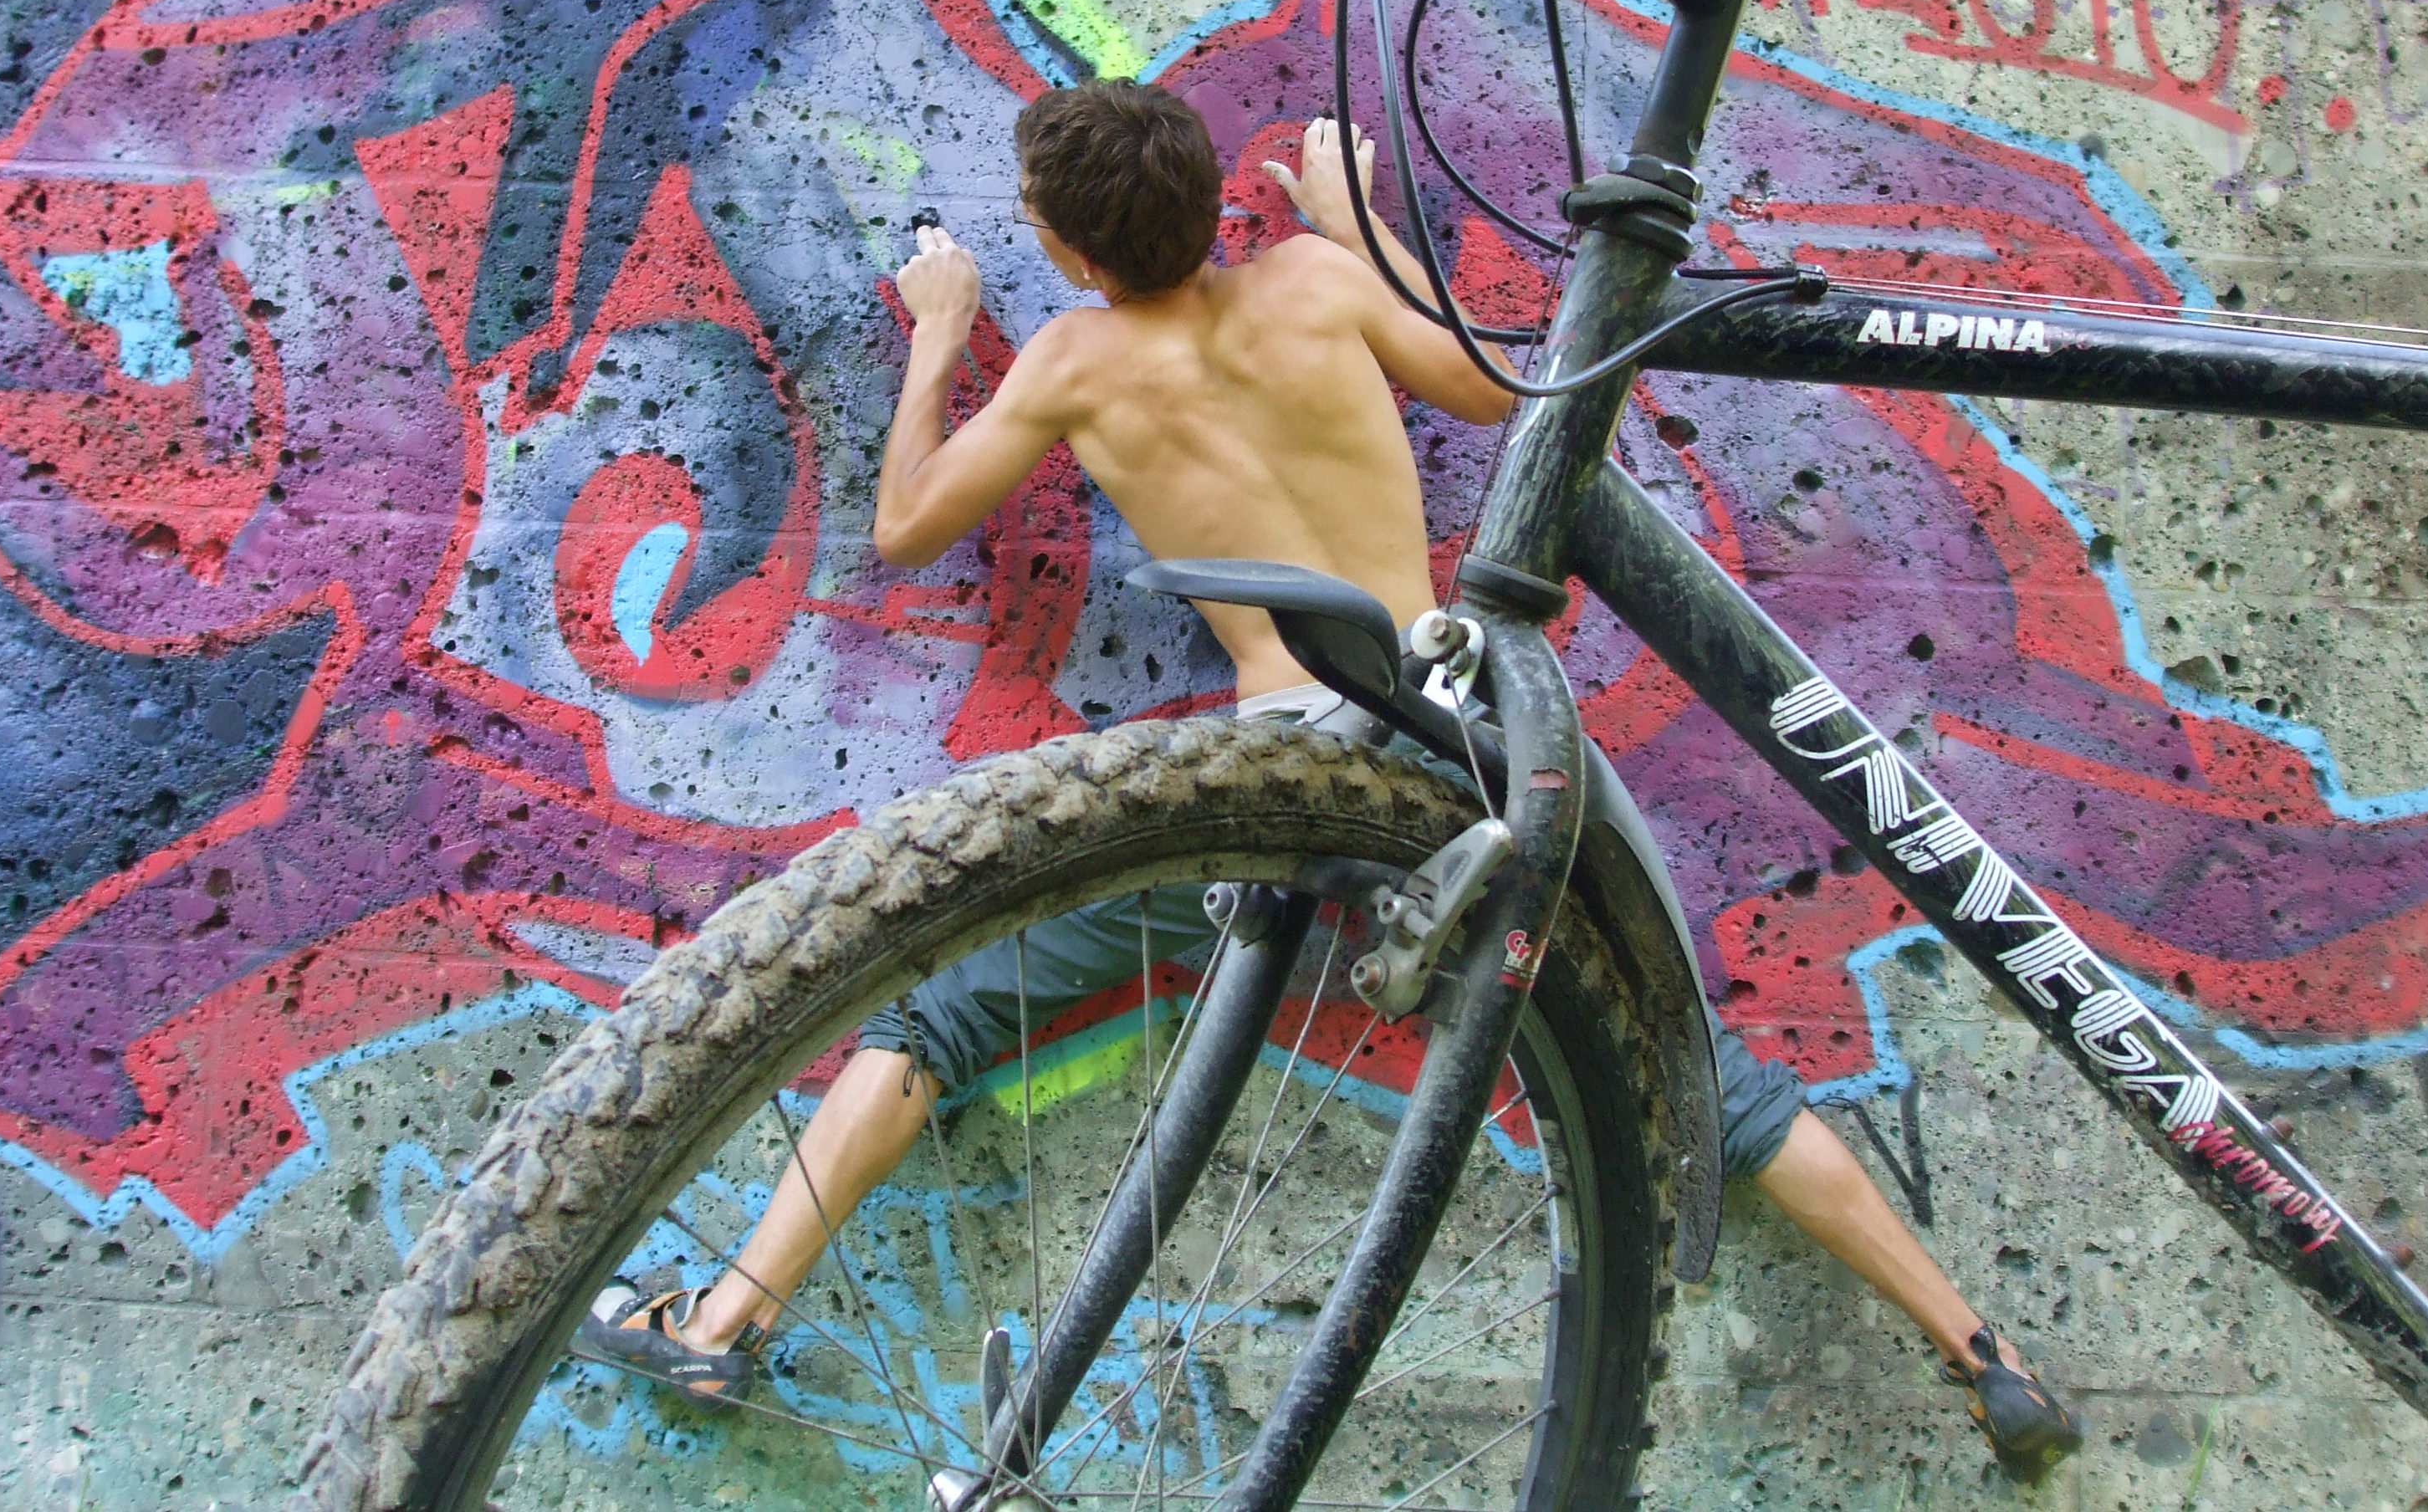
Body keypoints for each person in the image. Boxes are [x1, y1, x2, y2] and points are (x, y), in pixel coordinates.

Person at [574, 83, 2081, 1485]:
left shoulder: (1075, 364)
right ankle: (1983, 1352)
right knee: (1687, 1070)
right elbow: (1491, 395)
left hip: (1292, 777)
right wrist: (1358, 226)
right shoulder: (1311, 280)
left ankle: (723, 1320)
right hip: (1469, 738)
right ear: (1210, 199)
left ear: (1067, 248)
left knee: (950, 1011)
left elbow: (906, 524)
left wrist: (941, 327)